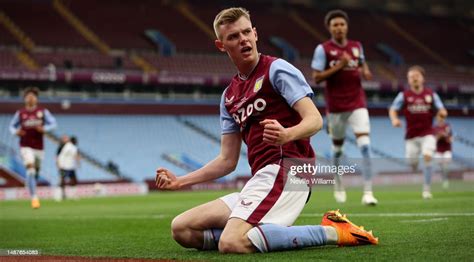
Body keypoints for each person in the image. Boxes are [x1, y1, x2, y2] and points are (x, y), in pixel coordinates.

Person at [155, 7, 378, 254]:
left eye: (246, 32)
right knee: (182, 229)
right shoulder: (228, 97)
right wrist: (180, 181)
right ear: (221, 45)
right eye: (233, 37)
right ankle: (258, 234)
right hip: (261, 178)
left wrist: (288, 134)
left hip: (290, 170)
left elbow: (315, 120)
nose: (243, 40)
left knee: (232, 242)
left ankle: (334, 231)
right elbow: (227, 161)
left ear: (256, 33)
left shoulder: (277, 69)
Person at [311, 10, 377, 205]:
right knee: (337, 150)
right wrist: (340, 66)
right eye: (335, 25)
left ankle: (368, 192)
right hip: (336, 107)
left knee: (365, 146)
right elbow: (316, 77)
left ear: (346, 27)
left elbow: (362, 64)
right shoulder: (323, 49)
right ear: (330, 28)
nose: (339, 27)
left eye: (342, 24)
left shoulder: (357, 46)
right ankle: (338, 182)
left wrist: (365, 72)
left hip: (358, 103)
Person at [389, 65, 447, 199]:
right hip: (411, 136)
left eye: (417, 76)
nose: (414, 79)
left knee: (427, 156)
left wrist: (442, 113)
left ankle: (426, 190)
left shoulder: (431, 95)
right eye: (411, 77)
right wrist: (394, 120)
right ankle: (414, 166)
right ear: (408, 80)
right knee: (412, 163)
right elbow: (393, 109)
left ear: (423, 78)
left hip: (428, 133)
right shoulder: (403, 95)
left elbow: (442, 110)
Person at [9, 87, 57, 208]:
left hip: (39, 147)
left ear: (36, 99)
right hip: (25, 146)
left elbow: (54, 123)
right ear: (24, 99)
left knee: (35, 172)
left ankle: (30, 181)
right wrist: (16, 132)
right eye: (28, 96)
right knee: (30, 168)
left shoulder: (43, 112)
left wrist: (45, 129)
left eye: (33, 96)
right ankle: (34, 198)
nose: (30, 98)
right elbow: (11, 126)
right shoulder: (20, 113)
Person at [433, 114, 453, 189]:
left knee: (446, 165)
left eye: (441, 117)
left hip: (447, 149)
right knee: (440, 165)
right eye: (438, 117)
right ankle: (444, 177)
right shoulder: (435, 128)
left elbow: (450, 139)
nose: (440, 119)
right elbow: (434, 140)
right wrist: (439, 136)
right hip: (438, 150)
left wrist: (445, 136)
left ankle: (446, 180)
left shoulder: (447, 126)